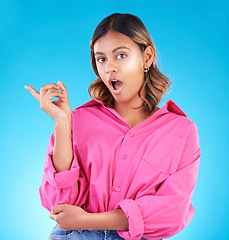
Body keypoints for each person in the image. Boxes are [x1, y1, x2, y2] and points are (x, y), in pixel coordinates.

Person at [25, 13, 200, 240]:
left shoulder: (181, 131)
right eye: (102, 59)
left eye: (121, 55)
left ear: (146, 57)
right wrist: (62, 122)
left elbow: (171, 213)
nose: (110, 68)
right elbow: (59, 205)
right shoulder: (78, 119)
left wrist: (88, 220)